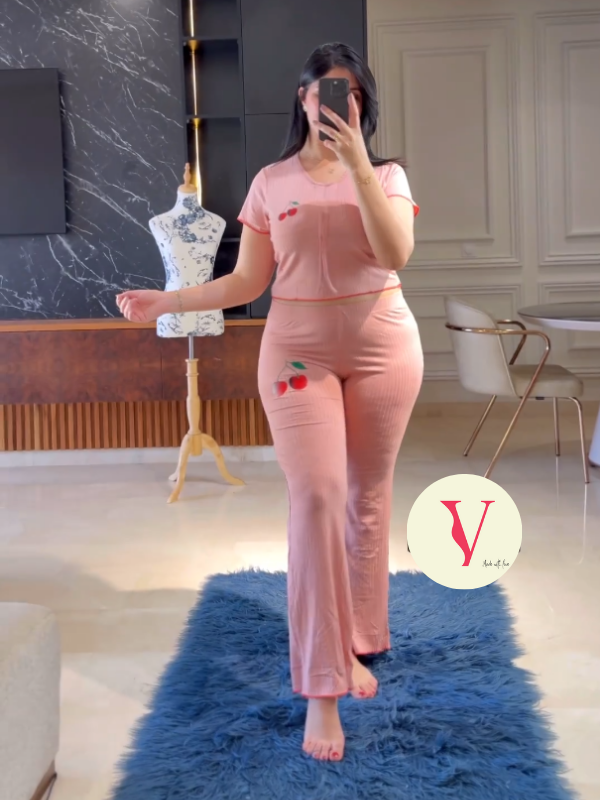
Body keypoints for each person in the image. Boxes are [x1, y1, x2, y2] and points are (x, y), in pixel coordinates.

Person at [117, 42, 424, 762]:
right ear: (302, 98)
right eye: (322, 91)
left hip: (384, 349)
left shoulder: (387, 175)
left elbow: (394, 255)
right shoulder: (270, 182)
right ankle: (322, 687)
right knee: (316, 495)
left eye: (349, 93)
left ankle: (358, 638)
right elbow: (246, 282)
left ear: (362, 103)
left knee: (367, 497)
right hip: (296, 353)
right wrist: (171, 300)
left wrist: (357, 167)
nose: (334, 103)